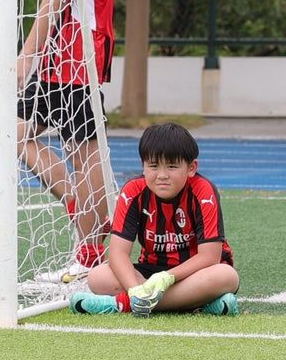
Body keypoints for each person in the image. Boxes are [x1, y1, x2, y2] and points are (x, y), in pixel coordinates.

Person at [20, 0, 119, 283]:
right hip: (64, 53)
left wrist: (26, 55)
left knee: (84, 152)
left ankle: (92, 254)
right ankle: (87, 211)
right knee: (18, 133)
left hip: (79, 53)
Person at [67, 122, 238, 316]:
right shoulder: (133, 191)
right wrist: (134, 289)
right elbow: (118, 254)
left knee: (226, 277)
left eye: (172, 166)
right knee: (98, 276)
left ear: (191, 168)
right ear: (143, 166)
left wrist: (168, 277)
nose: (162, 175)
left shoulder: (203, 190)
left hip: (195, 272)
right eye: (154, 166)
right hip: (150, 272)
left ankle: (122, 304)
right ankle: (196, 304)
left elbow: (210, 256)